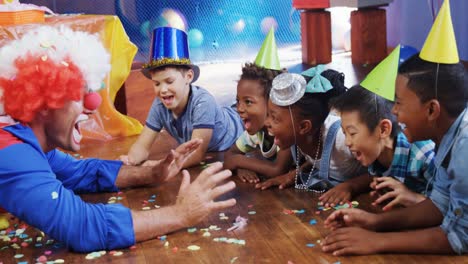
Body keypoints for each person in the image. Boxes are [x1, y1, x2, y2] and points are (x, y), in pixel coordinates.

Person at [0, 26, 236, 252]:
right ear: (44, 101)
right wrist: (181, 213)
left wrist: (151, 173)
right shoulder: (12, 153)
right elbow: (81, 228)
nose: (93, 106)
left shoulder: (27, 140)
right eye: (78, 94)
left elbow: (80, 172)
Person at [321, 55, 468, 255]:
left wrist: (377, 241)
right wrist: (374, 221)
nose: (394, 111)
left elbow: (459, 238)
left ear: (432, 110)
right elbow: (439, 205)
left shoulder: (464, 150)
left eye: (398, 103)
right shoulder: (446, 139)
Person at [120, 27, 243, 168]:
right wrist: (130, 161)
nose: (163, 90)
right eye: (156, 83)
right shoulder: (159, 104)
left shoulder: (203, 102)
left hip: (239, 125)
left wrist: (156, 166)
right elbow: (142, 146)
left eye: (169, 81)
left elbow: (196, 154)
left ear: (188, 77)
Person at [255, 66, 366, 192]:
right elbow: (321, 158)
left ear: (303, 127)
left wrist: (351, 186)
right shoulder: (301, 138)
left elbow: (381, 169)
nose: (266, 123)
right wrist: (293, 175)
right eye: (268, 115)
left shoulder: (342, 139)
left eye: (274, 118)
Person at [330, 85, 435, 210]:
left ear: (383, 129)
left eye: (352, 133)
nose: (347, 142)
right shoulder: (376, 153)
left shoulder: (425, 156)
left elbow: (452, 208)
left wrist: (412, 197)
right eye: (344, 133)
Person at [224, 29, 292, 183]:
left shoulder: (285, 130)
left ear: (272, 101)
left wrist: (238, 162)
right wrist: (242, 167)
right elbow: (230, 154)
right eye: (238, 101)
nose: (239, 108)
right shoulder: (256, 134)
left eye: (248, 102)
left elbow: (278, 169)